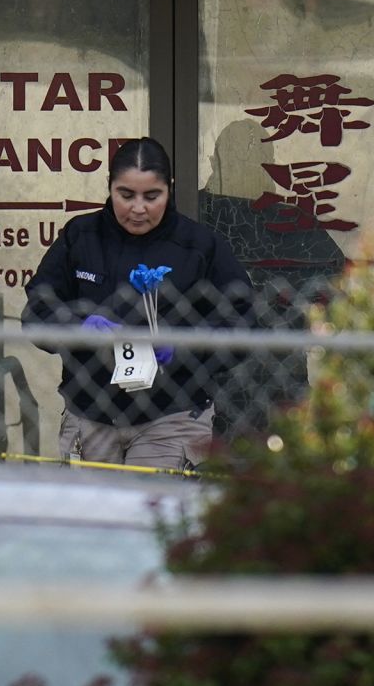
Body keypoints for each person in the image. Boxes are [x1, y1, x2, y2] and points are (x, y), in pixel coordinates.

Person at [23, 136, 253, 471]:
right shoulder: (81, 236)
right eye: (126, 195)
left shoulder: (199, 245)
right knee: (93, 520)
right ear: (110, 187)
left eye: (152, 196)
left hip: (171, 413)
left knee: (153, 516)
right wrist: (78, 327)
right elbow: (36, 313)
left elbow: (243, 324)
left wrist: (183, 345)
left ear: (169, 189)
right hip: (91, 415)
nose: (138, 208)